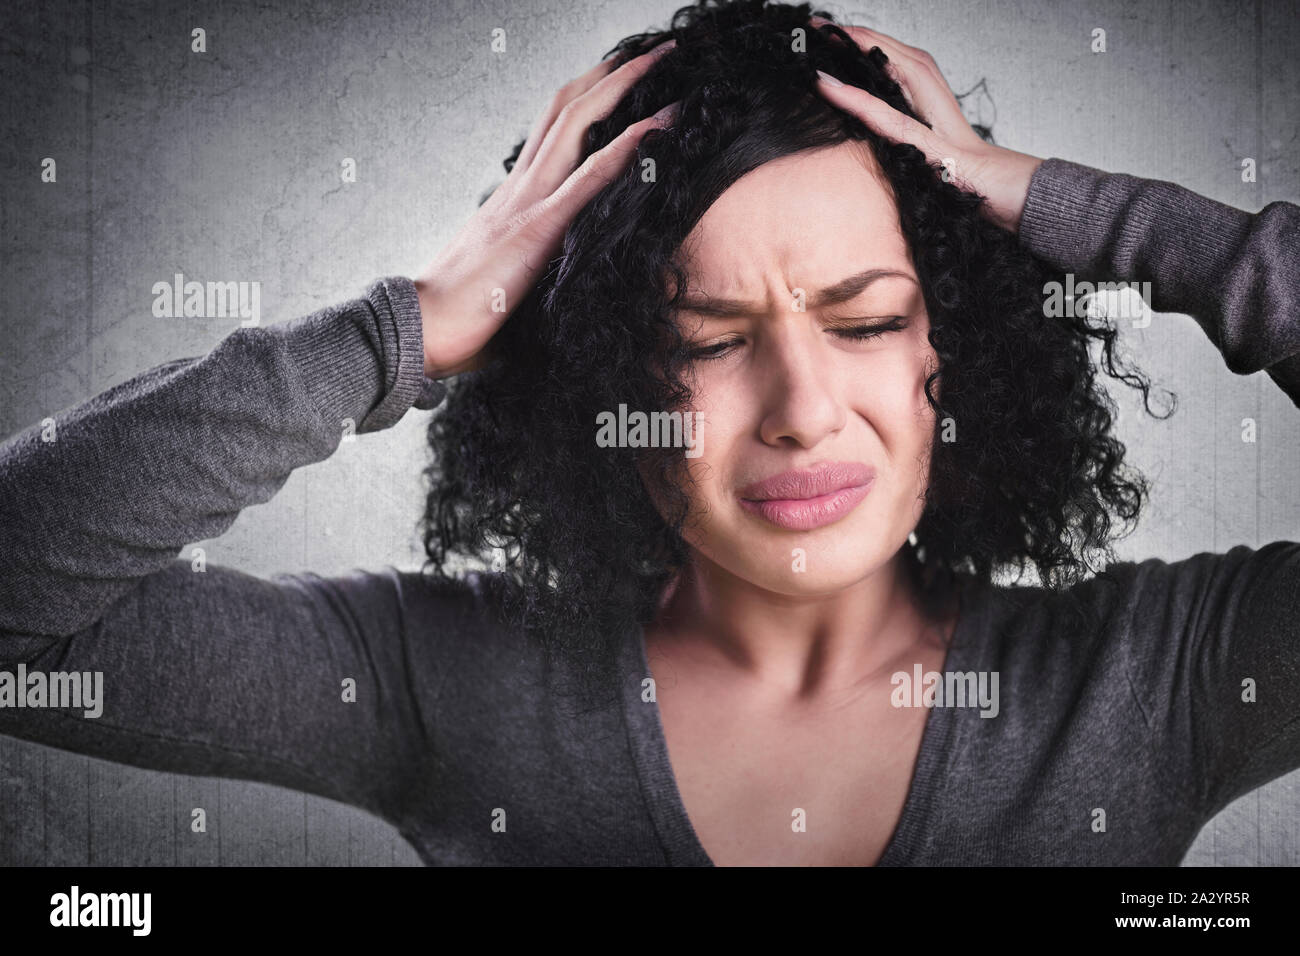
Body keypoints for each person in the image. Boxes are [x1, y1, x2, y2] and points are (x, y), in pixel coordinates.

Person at [2, 0, 1298, 866]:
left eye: (863, 322)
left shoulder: (1156, 684)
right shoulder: (439, 686)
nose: (799, 411)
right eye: (706, 340)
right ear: (605, 376)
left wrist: (1092, 217)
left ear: (945, 358)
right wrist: (404, 329)